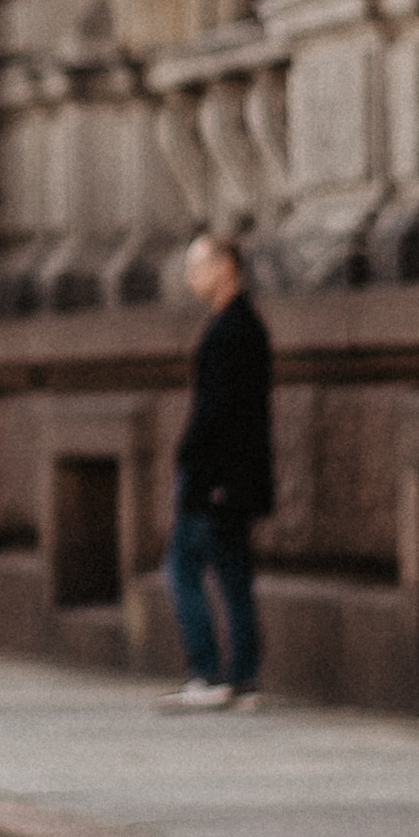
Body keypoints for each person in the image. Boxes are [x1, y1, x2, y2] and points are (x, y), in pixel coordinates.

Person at [162, 229, 273, 712]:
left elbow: (222, 412)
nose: (190, 277)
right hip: (229, 475)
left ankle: (207, 673)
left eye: (197, 265)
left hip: (216, 477)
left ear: (225, 266)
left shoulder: (233, 330)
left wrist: (195, 465)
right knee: (231, 573)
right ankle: (242, 679)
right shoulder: (239, 325)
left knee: (183, 568)